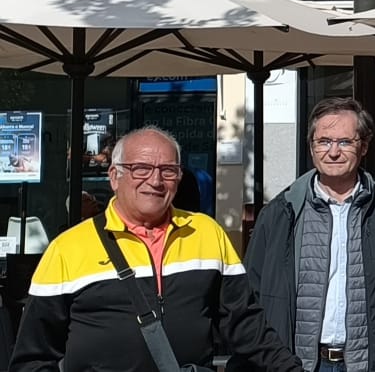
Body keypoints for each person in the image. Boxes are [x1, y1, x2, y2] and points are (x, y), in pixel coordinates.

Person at [12, 127, 302, 372]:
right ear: (114, 177)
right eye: (141, 168)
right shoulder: (68, 247)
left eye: (168, 170)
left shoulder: (206, 233)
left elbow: (246, 326)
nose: (155, 181)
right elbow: (33, 358)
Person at [239, 97, 375, 372]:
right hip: (298, 365)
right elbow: (250, 299)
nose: (333, 152)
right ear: (311, 147)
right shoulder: (281, 213)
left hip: (372, 365)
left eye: (344, 142)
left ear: (363, 146)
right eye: (324, 141)